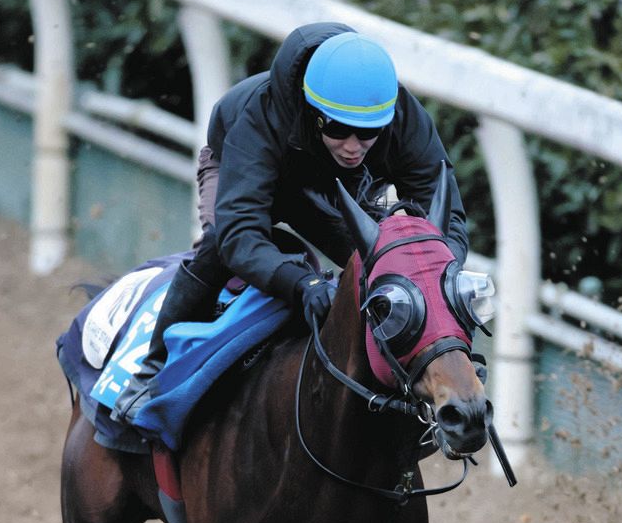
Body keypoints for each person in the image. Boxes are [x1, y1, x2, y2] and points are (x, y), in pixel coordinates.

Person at [113, 22, 469, 422]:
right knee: (218, 248)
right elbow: (239, 233)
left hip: (328, 185)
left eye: (368, 133)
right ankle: (150, 371)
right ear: (312, 110)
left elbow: (448, 221)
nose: (353, 146)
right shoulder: (261, 114)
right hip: (240, 167)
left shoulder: (403, 116)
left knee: (378, 262)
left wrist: (439, 272)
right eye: (338, 129)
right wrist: (303, 283)